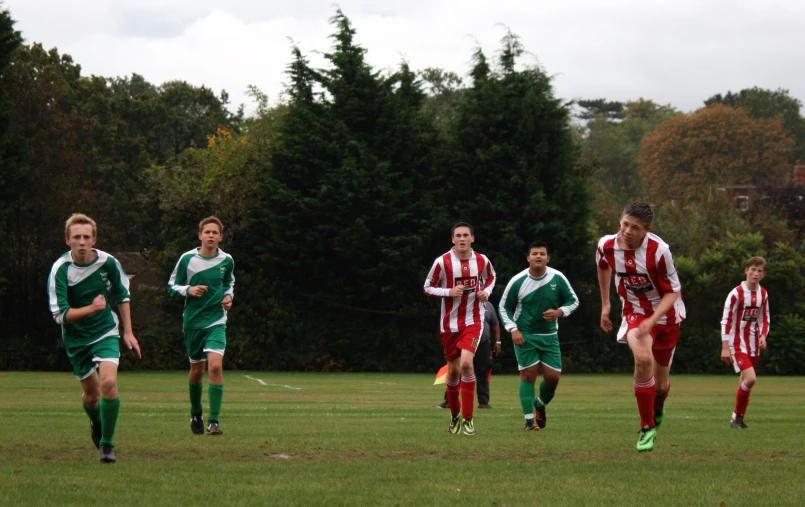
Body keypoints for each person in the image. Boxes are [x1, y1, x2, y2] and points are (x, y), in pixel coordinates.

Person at [47, 213, 141, 463]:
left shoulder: (107, 263)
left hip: (105, 331)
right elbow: (61, 314)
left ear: (94, 239)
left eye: (86, 237)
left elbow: (122, 295)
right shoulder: (60, 269)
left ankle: (107, 445)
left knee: (108, 384)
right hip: (76, 340)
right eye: (76, 237)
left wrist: (128, 332)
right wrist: (91, 308)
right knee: (91, 397)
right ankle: (98, 425)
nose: (81, 242)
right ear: (68, 240)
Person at [596, 202, 685, 452]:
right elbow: (602, 267)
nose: (627, 231)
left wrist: (653, 319)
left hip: (666, 316)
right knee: (643, 360)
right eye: (625, 224)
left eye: (634, 227)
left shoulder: (659, 251)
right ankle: (646, 427)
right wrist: (605, 304)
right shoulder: (606, 245)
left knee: (661, 386)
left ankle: (657, 408)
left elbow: (672, 293)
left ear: (646, 229)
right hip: (634, 312)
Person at [424, 222, 496, 436]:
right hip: (449, 325)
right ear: (452, 239)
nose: (462, 239)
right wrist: (449, 292)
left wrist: (486, 292)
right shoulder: (442, 262)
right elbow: (427, 287)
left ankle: (469, 420)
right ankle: (454, 416)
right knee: (453, 371)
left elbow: (491, 278)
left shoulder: (482, 260)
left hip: (474, 321)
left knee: (466, 364)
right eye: (458, 235)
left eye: (466, 235)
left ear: (472, 238)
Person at [499, 240, 579, 431]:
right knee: (528, 375)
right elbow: (504, 307)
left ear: (548, 258)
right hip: (525, 335)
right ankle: (529, 422)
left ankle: (540, 404)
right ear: (528, 258)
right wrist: (513, 329)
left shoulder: (557, 278)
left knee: (553, 378)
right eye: (534, 253)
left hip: (549, 335)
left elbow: (573, 301)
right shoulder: (518, 281)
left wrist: (559, 312)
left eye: (542, 254)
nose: (538, 256)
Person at [168, 217, 235, 436]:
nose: (211, 236)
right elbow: (171, 286)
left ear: (220, 237)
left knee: (215, 366)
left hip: (216, 320)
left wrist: (228, 296)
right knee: (197, 371)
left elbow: (229, 283)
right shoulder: (187, 259)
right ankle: (196, 412)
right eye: (207, 232)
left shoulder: (227, 261)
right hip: (193, 322)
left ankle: (213, 421)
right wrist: (189, 290)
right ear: (200, 236)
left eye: (215, 232)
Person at [720, 256, 770, 429]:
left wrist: (763, 336)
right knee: (751, 379)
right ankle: (737, 417)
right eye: (753, 270)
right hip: (736, 342)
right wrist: (725, 347)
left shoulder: (763, 294)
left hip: (754, 343)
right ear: (746, 271)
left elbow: (764, 318)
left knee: (744, 381)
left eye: (759, 271)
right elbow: (725, 320)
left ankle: (737, 419)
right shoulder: (735, 294)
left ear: (763, 274)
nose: (756, 274)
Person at [437, 301, 501, 409]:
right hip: (465, 342)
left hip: (483, 342)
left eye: (482, 285)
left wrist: (498, 342)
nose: (479, 287)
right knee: (458, 369)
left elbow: (495, 324)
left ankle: (483, 402)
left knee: (483, 371)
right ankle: (449, 401)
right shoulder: (464, 301)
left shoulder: (488, 305)